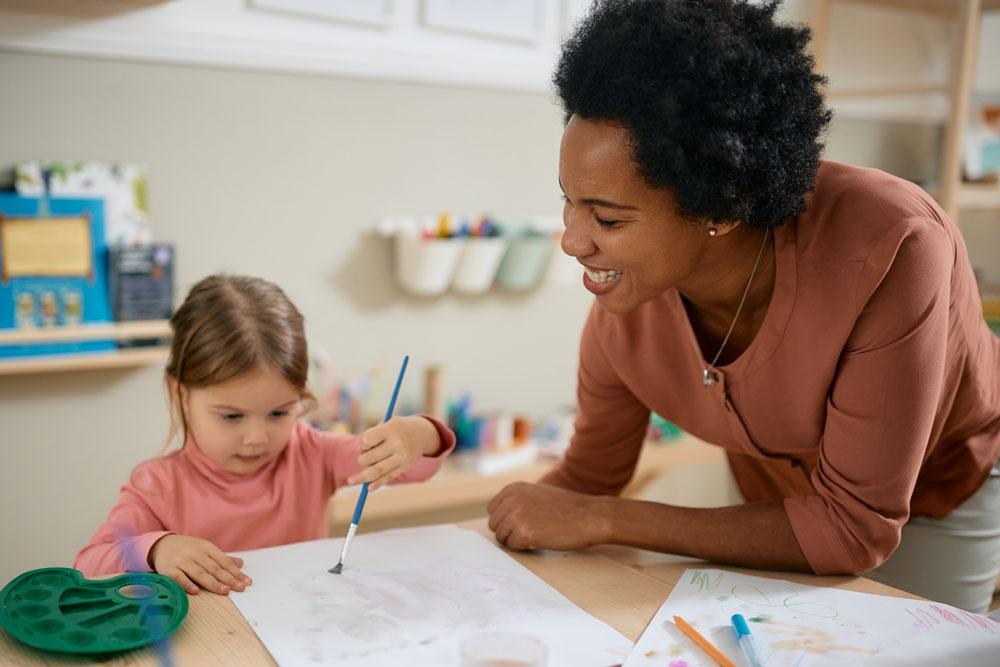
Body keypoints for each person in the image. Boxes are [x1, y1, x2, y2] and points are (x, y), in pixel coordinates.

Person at [487, 0, 1000, 612]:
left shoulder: (892, 248)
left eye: (607, 219)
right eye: (569, 202)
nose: (572, 242)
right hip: (783, 506)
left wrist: (604, 518)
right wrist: (488, 532)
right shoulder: (631, 303)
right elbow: (586, 481)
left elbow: (851, 529)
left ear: (722, 208)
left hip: (938, 489)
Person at [76, 274, 454, 595]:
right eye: (232, 416)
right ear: (180, 394)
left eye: (279, 413)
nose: (257, 438)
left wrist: (416, 435)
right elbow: (88, 565)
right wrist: (157, 549)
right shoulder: (156, 486)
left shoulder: (310, 452)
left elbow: (416, 468)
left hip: (301, 635)